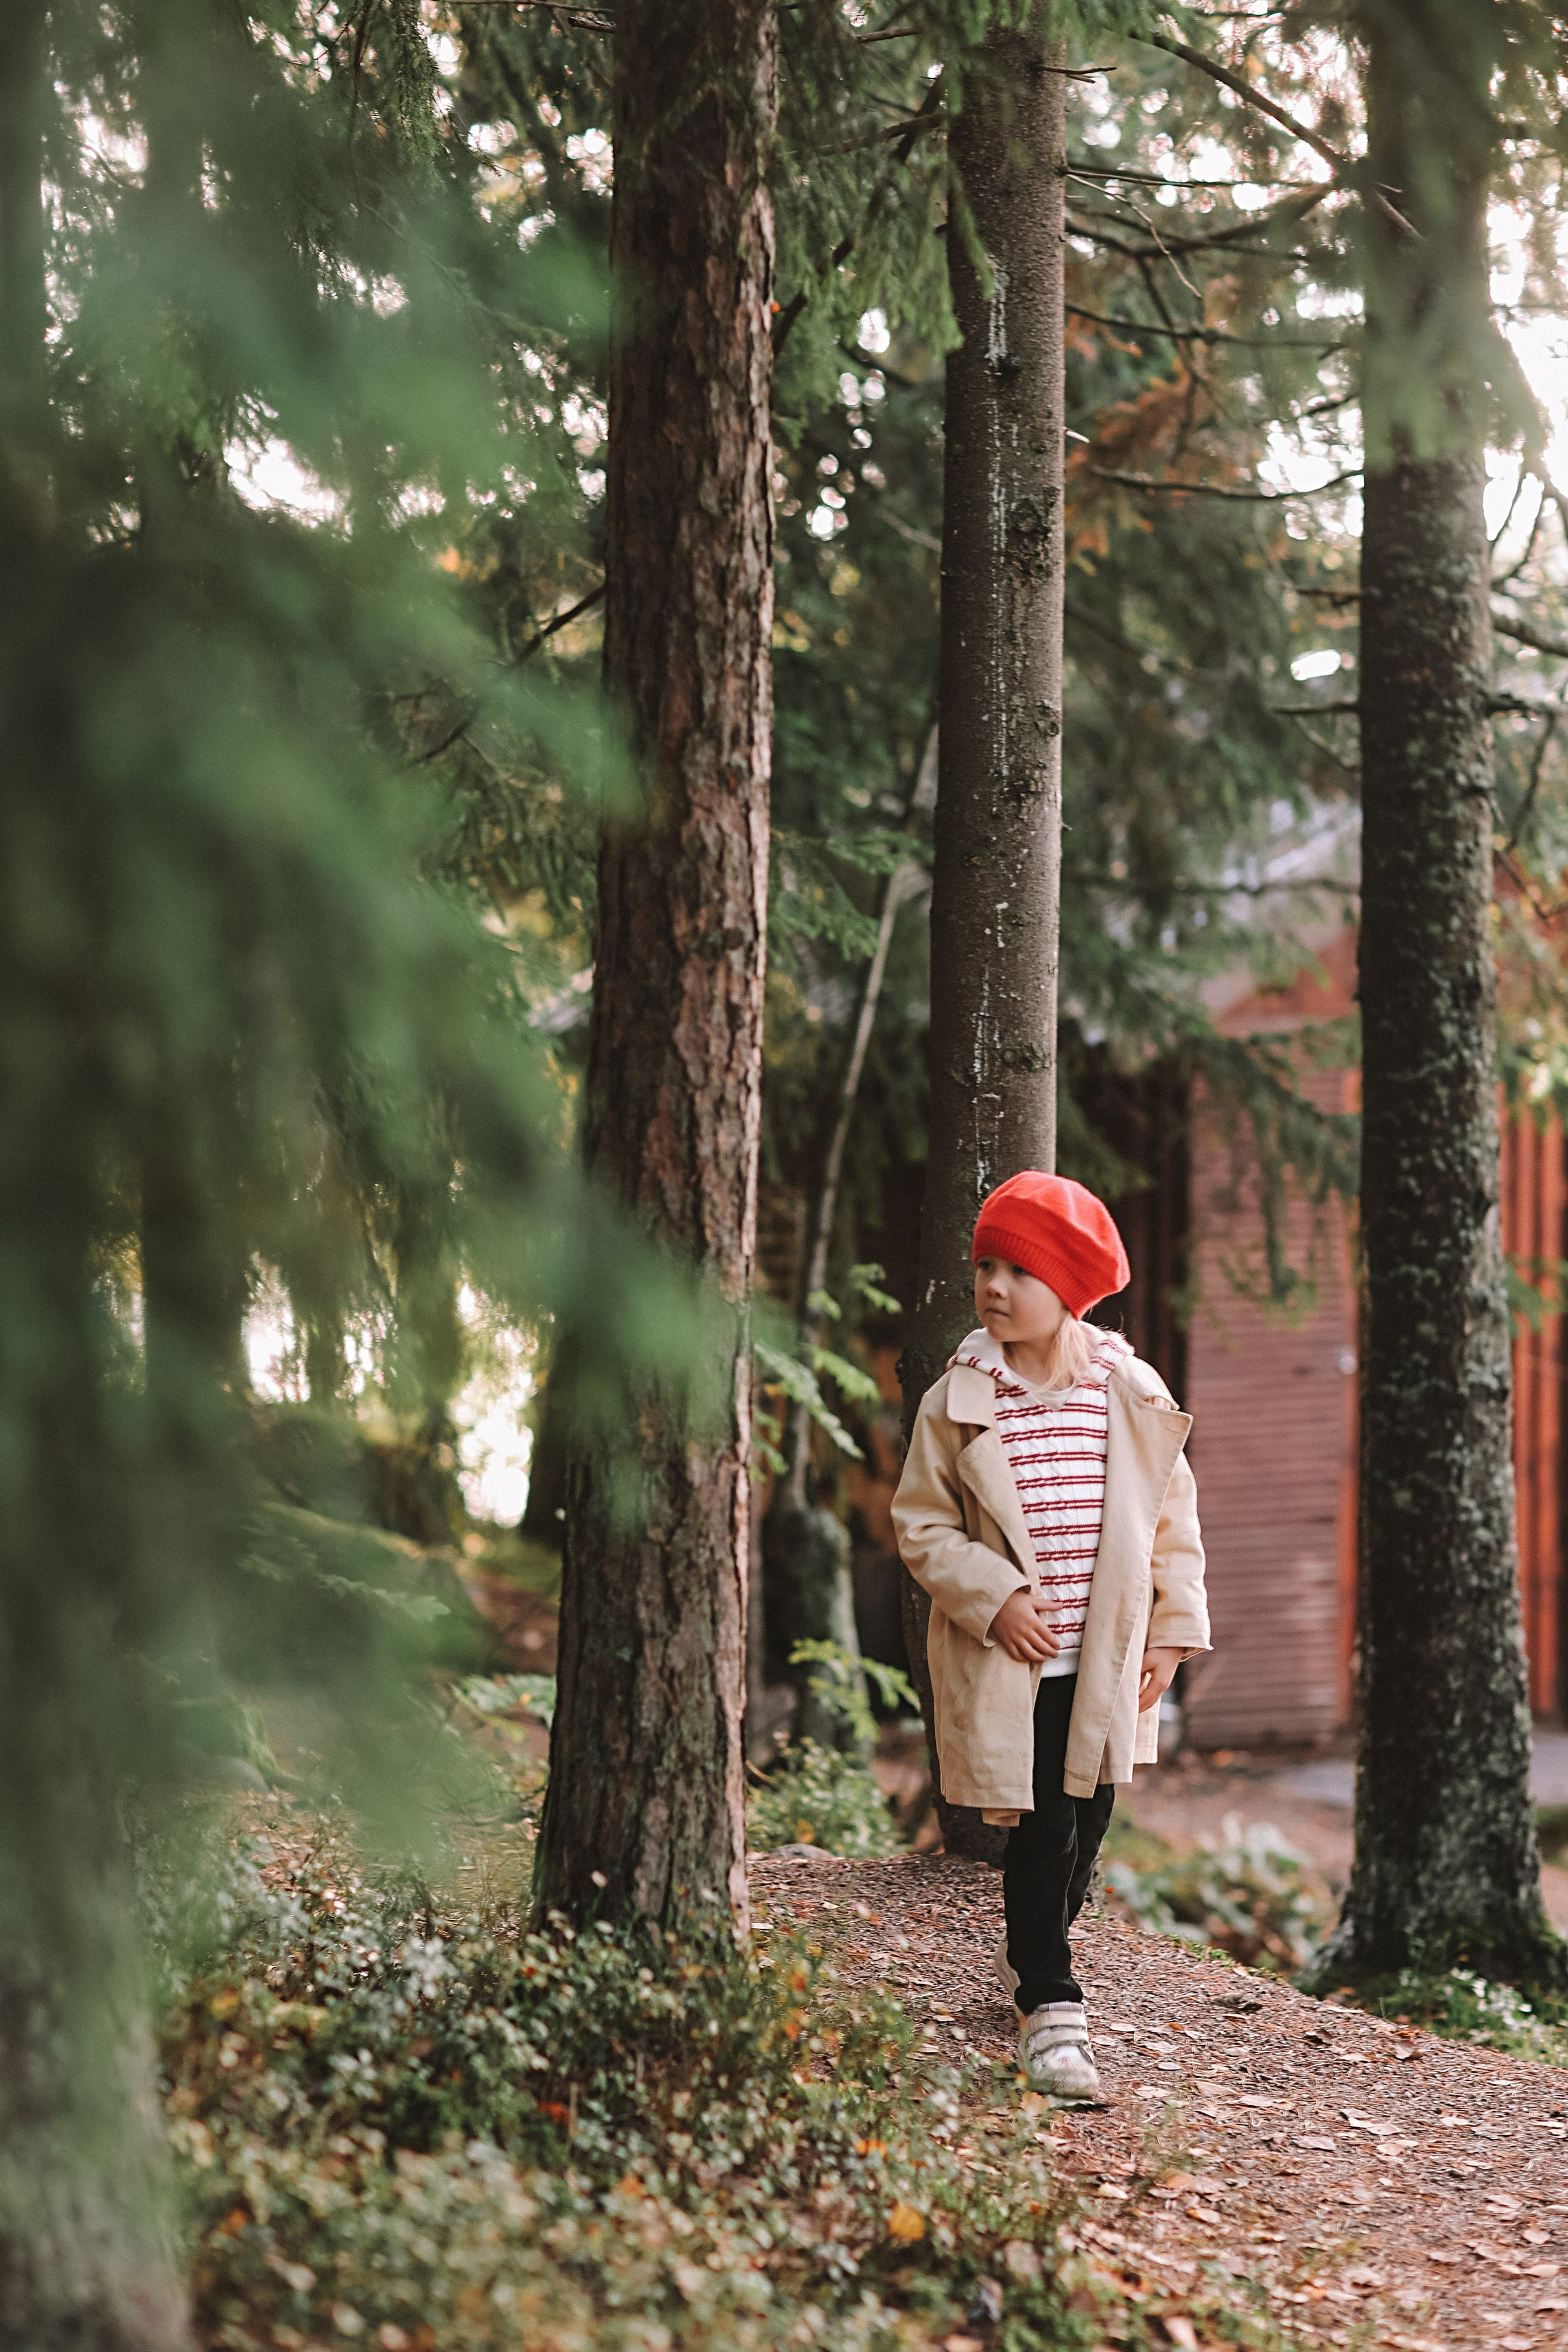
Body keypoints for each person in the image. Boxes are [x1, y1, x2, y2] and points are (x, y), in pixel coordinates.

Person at [892, 1170, 1210, 2103]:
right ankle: (1050, 2004)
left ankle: (1039, 1943)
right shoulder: (959, 1400)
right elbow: (922, 1525)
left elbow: (1171, 1518)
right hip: (1015, 1661)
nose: (992, 1287)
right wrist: (993, 1597)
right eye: (985, 1266)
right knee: (1044, 1824)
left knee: (1091, 1816)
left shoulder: (1126, 1389)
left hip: (1105, 1656)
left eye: (1017, 1271)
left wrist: (1170, 1634)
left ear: (1068, 1287)